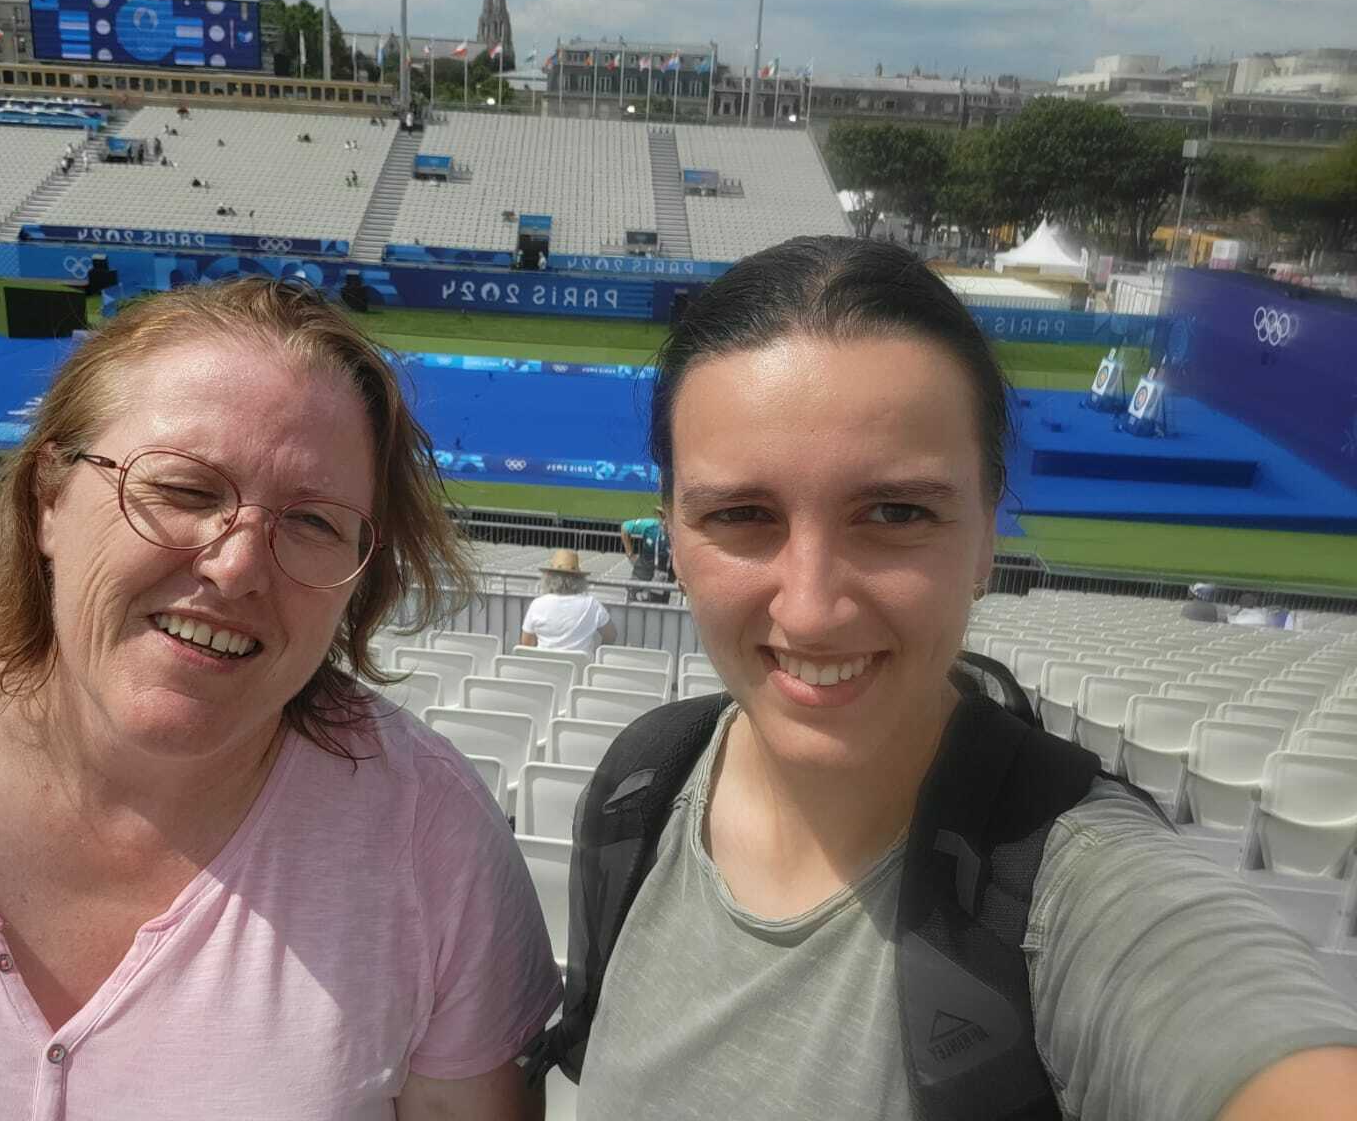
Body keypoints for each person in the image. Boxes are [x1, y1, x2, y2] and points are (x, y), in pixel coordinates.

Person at [539, 237, 1357, 1118]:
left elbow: (1249, 1039)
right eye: (741, 514)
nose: (812, 609)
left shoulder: (1076, 893)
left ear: (986, 536)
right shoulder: (638, 789)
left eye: (896, 512)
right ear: (672, 532)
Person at [0, 278, 560, 1118]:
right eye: (182, 490)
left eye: (315, 522)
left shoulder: (433, 840)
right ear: (48, 501)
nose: (238, 566)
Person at [519, 549, 617, 655]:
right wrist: (596, 655)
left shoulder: (537, 604)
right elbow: (611, 635)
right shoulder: (592, 604)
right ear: (579, 579)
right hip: (581, 668)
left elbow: (527, 643)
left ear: (549, 577)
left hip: (543, 668)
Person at [619, 508, 671, 603]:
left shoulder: (679, 535)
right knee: (634, 612)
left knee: (657, 614)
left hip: (661, 584)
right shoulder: (650, 525)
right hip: (640, 578)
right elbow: (625, 527)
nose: (664, 521)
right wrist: (630, 554)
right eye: (663, 517)